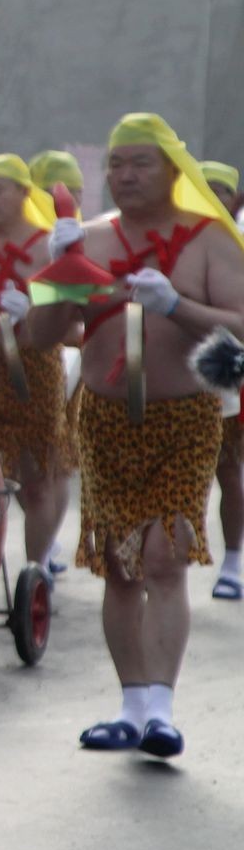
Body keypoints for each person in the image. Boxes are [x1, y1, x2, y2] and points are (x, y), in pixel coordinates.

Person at [28, 116, 244, 759]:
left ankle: (162, 709)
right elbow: (39, 340)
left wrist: (176, 303)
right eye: (116, 163)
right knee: (120, 567)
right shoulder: (88, 239)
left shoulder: (209, 241)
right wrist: (59, 272)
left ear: (172, 170)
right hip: (103, 417)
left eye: (139, 163)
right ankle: (130, 703)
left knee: (164, 558)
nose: (124, 174)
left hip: (184, 417)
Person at [0, 155, 75, 578]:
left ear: (24, 194)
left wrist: (31, 311)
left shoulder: (49, 246)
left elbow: (70, 315)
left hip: (36, 368)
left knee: (37, 476)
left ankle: (36, 571)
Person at [201, 161, 243, 601]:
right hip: (175, 374)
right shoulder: (175, 243)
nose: (210, 197)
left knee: (229, 471)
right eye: (201, 188)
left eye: (218, 190)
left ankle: (233, 560)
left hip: (230, 371)